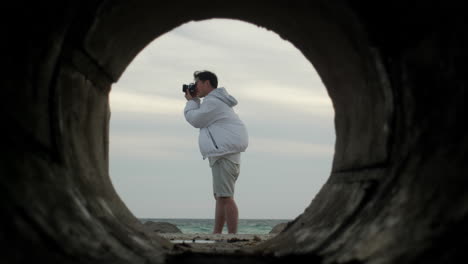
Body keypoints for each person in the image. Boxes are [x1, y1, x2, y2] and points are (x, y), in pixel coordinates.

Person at [184, 70, 248, 234]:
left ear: (206, 83)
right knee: (221, 196)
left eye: (197, 83)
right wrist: (196, 101)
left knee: (226, 197)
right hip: (224, 154)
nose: (195, 86)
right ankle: (217, 233)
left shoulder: (213, 102)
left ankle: (233, 235)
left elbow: (196, 120)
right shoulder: (215, 102)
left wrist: (192, 101)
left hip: (223, 155)